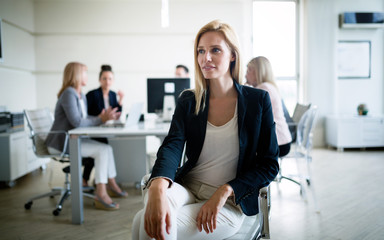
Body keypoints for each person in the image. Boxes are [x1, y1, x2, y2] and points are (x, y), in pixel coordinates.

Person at [132, 20, 279, 240]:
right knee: (149, 216)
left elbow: (269, 164)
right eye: (201, 51)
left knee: (143, 224)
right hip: (188, 188)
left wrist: (227, 189)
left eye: (215, 50)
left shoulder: (257, 101)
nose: (205, 58)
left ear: (232, 55)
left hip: (228, 203)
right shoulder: (189, 100)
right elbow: (172, 145)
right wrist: (157, 185)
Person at [45, 62, 127, 211]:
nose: (87, 77)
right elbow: (76, 121)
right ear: (76, 75)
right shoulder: (69, 93)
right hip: (61, 143)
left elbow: (85, 117)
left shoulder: (80, 94)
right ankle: (101, 193)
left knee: (106, 148)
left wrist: (101, 117)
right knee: (102, 150)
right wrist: (101, 119)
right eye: (84, 73)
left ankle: (109, 184)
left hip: (72, 140)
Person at [83, 64, 124, 187]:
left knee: (103, 144)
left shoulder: (112, 94)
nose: (107, 81)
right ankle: (96, 180)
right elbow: (85, 115)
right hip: (93, 128)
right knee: (102, 144)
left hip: (106, 127)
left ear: (113, 80)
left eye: (110, 79)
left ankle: (97, 179)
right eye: (104, 78)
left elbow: (116, 112)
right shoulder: (92, 94)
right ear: (100, 80)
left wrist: (121, 100)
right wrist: (100, 118)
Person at [245, 56, 292, 157]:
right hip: (283, 138)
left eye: (249, 70)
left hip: (278, 141)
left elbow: (254, 116)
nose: (245, 74)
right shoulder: (269, 86)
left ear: (258, 72)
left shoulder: (264, 88)